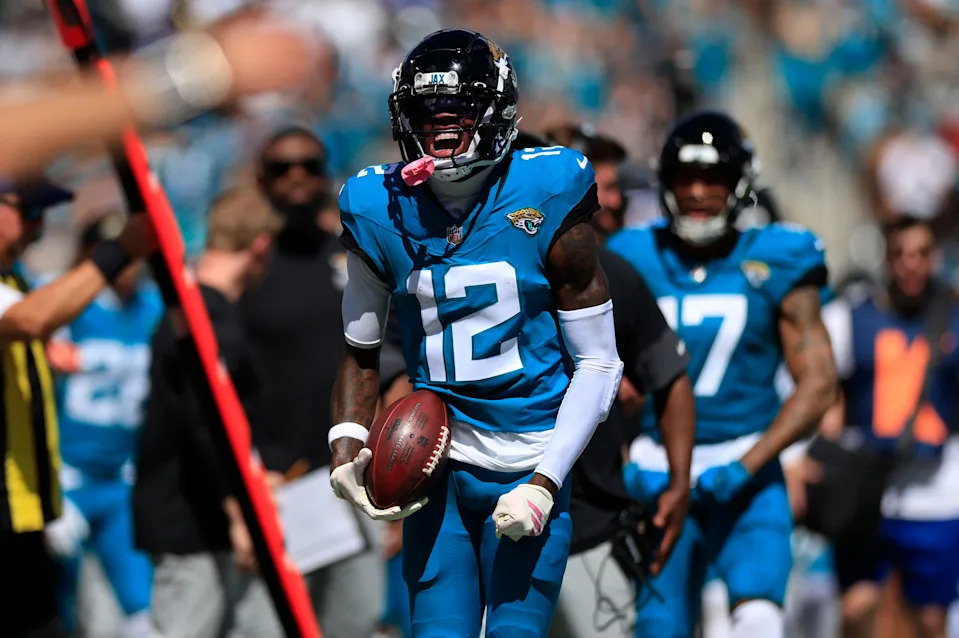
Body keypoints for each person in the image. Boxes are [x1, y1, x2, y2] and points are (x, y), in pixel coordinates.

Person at [328, 29, 625, 637]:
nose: (439, 130)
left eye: (457, 115)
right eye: (425, 115)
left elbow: (600, 364)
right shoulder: (373, 203)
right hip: (437, 462)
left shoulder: (548, 187)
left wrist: (545, 482)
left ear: (496, 113)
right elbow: (360, 349)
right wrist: (346, 445)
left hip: (531, 458)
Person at [607, 110, 838, 638]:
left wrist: (747, 464)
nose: (697, 191)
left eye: (712, 178)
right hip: (658, 468)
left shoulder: (777, 256)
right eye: (685, 177)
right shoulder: (631, 254)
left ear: (740, 184)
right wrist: (622, 460)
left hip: (748, 466)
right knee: (657, 627)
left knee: (758, 620)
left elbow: (819, 383)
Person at [529, 127, 694, 638]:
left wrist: (680, 481)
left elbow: (669, 376)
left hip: (588, 523)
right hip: (485, 517)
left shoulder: (612, 272)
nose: (612, 197)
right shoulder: (447, 272)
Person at [239, 126, 382, 638]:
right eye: (282, 168)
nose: (297, 176)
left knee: (357, 620)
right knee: (264, 627)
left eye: (309, 165)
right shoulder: (248, 267)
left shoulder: (357, 256)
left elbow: (387, 365)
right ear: (261, 179)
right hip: (276, 483)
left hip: (351, 477)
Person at [0, 174, 155, 638]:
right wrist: (121, 248)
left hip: (27, 506)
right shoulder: (27, 293)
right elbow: (30, 318)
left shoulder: (16, 278)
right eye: (26, 211)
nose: (38, 225)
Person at [132, 187, 284, 638]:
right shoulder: (201, 322)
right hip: (192, 524)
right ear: (260, 245)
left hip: (210, 520)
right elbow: (205, 425)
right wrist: (240, 510)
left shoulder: (201, 313)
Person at [818, 216, 959, 638]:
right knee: (858, 612)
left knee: (930, 621)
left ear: (935, 258)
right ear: (886, 258)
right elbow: (816, 386)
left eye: (920, 254)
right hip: (864, 492)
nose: (910, 265)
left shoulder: (952, 319)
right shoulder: (849, 317)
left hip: (936, 493)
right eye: (900, 254)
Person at [42, 213, 164, 637]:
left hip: (123, 477)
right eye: (116, 255)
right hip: (67, 478)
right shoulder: (63, 305)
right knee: (61, 607)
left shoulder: (151, 307)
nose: (126, 266)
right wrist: (48, 487)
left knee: (143, 608)